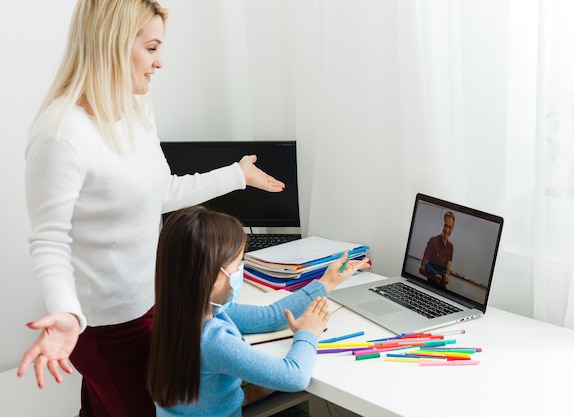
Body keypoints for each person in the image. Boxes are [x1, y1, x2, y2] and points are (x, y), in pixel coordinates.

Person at [17, 1, 286, 416]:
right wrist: (68, 314)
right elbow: (49, 241)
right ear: (114, 45)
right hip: (108, 327)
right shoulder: (61, 134)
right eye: (152, 48)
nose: (160, 62)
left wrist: (236, 175)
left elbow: (160, 192)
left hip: (155, 302)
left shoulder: (136, 109)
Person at [146, 206, 370, 417]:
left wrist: (326, 282)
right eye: (237, 266)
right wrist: (308, 333)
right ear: (208, 276)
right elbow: (294, 377)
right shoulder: (212, 340)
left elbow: (270, 317)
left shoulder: (177, 313)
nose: (239, 273)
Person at [420, 211, 455, 288]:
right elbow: (421, 268)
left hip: (441, 287)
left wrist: (447, 278)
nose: (447, 230)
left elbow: (447, 273)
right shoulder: (433, 241)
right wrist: (433, 277)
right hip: (429, 285)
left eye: (450, 227)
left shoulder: (451, 247)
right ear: (442, 224)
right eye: (445, 225)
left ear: (453, 228)